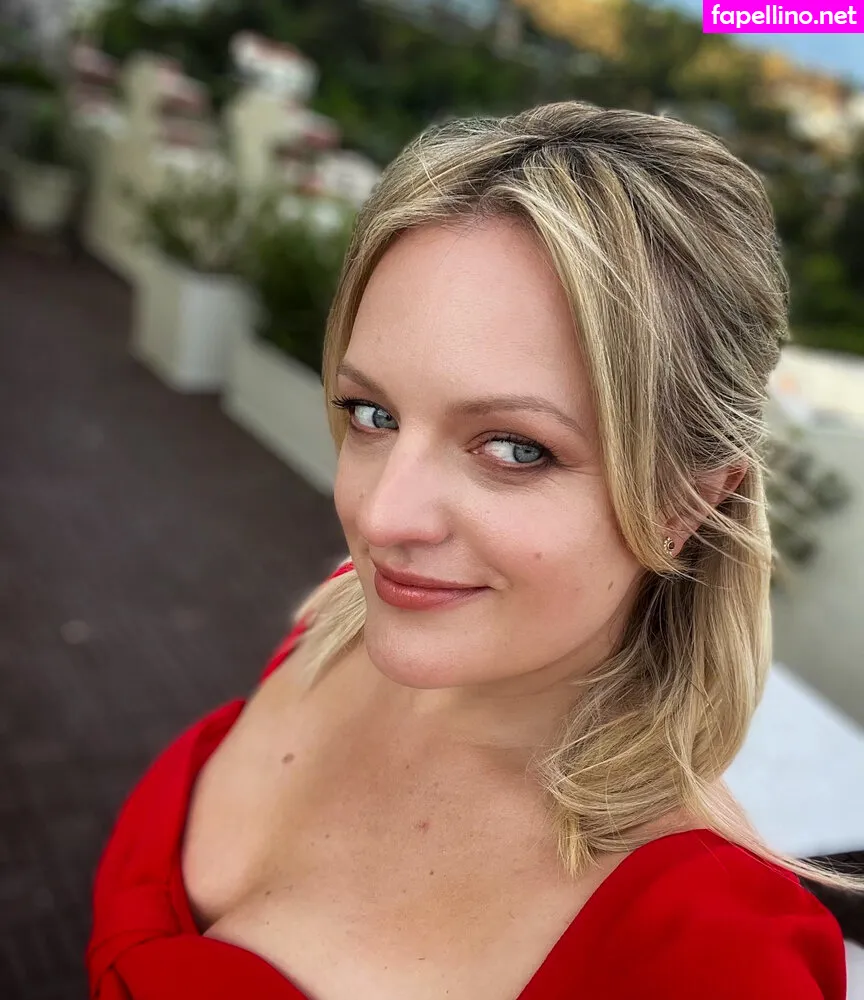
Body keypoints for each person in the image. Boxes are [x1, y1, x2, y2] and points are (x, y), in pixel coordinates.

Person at [87, 101, 850, 1000]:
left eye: (516, 448)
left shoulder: (713, 961)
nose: (381, 519)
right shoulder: (345, 617)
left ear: (691, 499)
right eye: (373, 414)